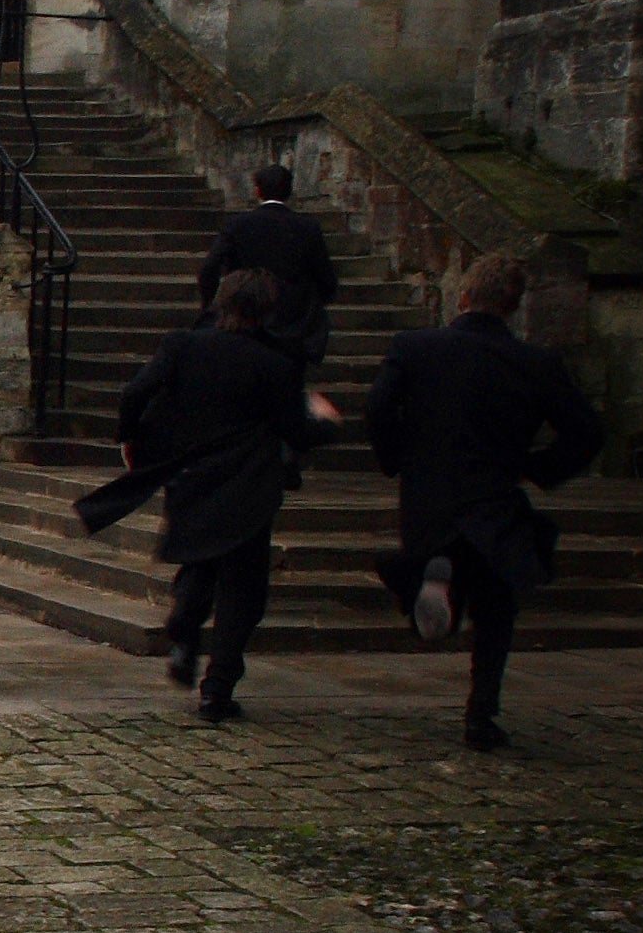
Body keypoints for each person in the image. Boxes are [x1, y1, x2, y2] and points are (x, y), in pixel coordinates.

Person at [365, 252, 605, 752]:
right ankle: (480, 712)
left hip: (430, 492)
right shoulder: (535, 364)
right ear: (514, 308)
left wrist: (398, 457)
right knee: (497, 607)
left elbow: (378, 407)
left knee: (436, 563)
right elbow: (586, 431)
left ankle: (434, 582)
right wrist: (539, 468)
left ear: (463, 297)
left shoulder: (417, 347)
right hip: (494, 494)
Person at [78, 269, 338, 723]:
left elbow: (136, 391)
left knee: (199, 561)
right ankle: (217, 687)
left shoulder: (184, 346)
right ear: (266, 311)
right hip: (248, 484)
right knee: (243, 588)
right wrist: (325, 420)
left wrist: (131, 439)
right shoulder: (275, 364)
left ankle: (183, 631)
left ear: (220, 302)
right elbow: (294, 430)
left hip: (192, 473)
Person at [198, 163, 337, 365]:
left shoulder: (239, 224)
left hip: (246, 313)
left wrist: (209, 304)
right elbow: (325, 277)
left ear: (257, 190)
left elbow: (210, 268)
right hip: (292, 320)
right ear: (289, 191)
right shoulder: (308, 228)